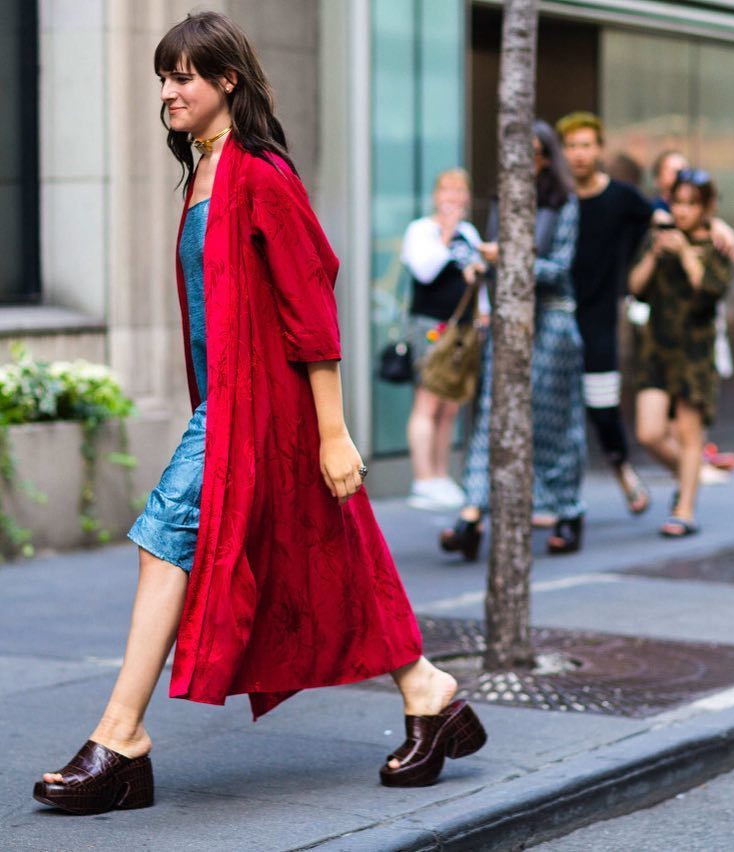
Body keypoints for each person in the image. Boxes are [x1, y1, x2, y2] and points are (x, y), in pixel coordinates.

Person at [33, 12, 486, 815]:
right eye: (163, 77)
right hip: (230, 408)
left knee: (163, 538)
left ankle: (122, 739)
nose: (169, 91)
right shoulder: (203, 172)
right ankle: (430, 689)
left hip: (265, 408)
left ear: (226, 83)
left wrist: (333, 429)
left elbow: (311, 301)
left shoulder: (261, 173)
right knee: (329, 558)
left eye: (184, 77)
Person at [440, 120, 586, 560]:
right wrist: (472, 258)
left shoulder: (564, 203)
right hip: (508, 321)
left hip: (552, 326)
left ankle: (567, 510)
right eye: (521, 152)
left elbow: (558, 269)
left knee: (552, 426)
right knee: (490, 416)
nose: (528, 161)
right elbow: (483, 253)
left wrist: (508, 256)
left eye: (537, 152)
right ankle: (471, 516)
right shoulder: (504, 199)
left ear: (548, 156)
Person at [556, 112, 653, 516]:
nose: (579, 154)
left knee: (602, 405)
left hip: (599, 318)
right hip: (554, 316)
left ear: (599, 149)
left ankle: (622, 470)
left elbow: (661, 220)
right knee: (557, 410)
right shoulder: (556, 199)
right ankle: (560, 496)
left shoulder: (621, 197)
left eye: (585, 145)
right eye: (572, 146)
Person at [629, 169, 733, 537]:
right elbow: (635, 287)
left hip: (695, 352)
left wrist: (687, 252)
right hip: (656, 348)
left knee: (691, 434)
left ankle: (684, 509)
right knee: (649, 432)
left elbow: (710, 293)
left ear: (706, 207)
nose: (684, 211)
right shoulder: (658, 238)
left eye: (692, 203)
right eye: (678, 202)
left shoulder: (717, 244)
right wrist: (657, 255)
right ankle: (689, 477)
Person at [401, 169, 485, 510]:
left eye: (460, 190)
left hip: (463, 330)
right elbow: (425, 270)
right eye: (447, 189)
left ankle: (440, 474)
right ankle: (423, 479)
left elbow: (478, 276)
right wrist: (446, 233)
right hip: (431, 326)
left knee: (450, 406)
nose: (453, 196)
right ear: (436, 195)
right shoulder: (421, 230)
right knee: (427, 402)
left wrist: (484, 313)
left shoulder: (470, 232)